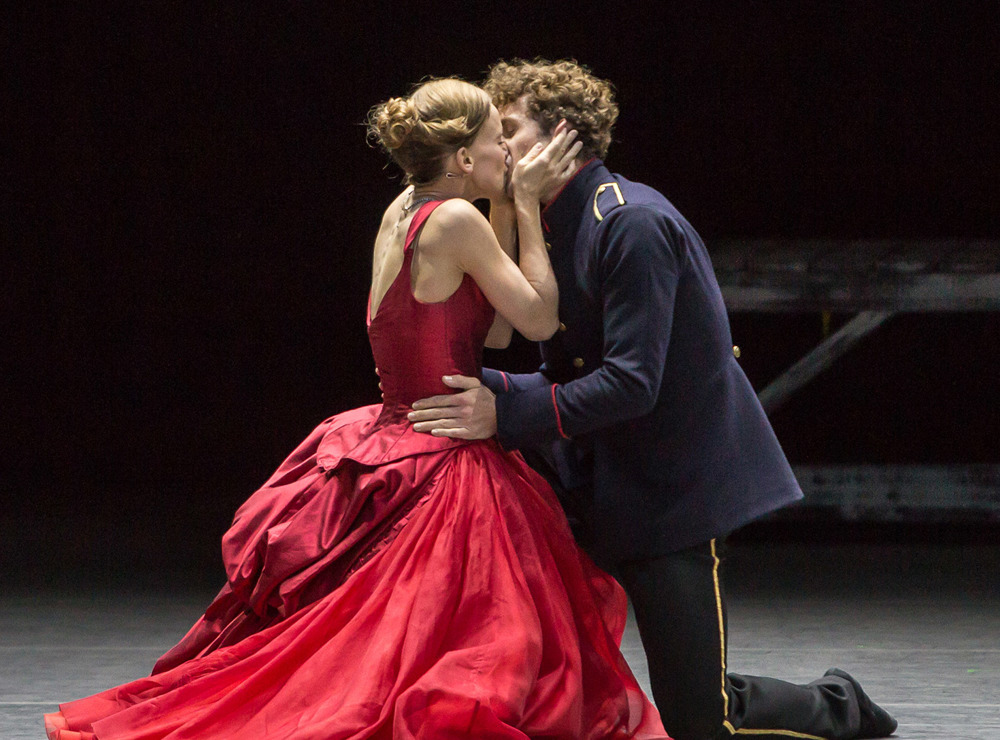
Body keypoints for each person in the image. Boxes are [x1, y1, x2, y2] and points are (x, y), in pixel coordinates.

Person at [42, 78, 669, 739]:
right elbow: (539, 322)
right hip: (440, 455)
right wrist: (521, 200)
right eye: (495, 144)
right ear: (462, 158)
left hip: (395, 433)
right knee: (466, 642)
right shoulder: (455, 220)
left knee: (393, 640)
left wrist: (510, 212)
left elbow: (495, 336)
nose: (508, 157)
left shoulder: (406, 208)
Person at [407, 60, 898, 740]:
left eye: (509, 129)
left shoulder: (629, 224)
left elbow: (632, 383)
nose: (494, 145)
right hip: (595, 481)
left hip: (669, 491)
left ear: (562, 140)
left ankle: (839, 704)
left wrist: (504, 406)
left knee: (702, 719)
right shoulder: (547, 221)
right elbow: (550, 356)